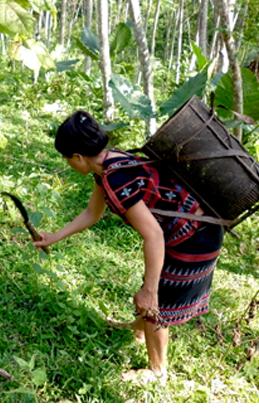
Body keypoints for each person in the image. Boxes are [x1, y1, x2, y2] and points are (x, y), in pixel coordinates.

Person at [34, 110, 224, 383]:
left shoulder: (115, 178)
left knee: (154, 306)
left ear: (77, 157)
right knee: (151, 293)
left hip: (194, 238)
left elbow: (154, 236)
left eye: (66, 159)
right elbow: (92, 213)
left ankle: (157, 371)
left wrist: (149, 290)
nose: (68, 163)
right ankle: (137, 330)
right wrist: (54, 236)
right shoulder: (112, 163)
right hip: (197, 226)